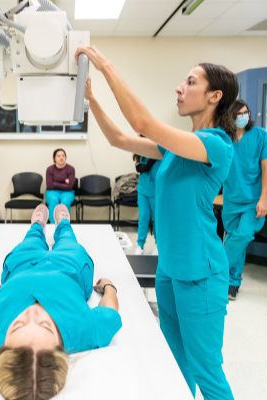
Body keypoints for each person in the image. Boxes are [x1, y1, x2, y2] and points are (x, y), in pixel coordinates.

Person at [76, 46, 237, 400]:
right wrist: (90, 100)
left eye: (190, 82)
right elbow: (119, 138)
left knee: (206, 369)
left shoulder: (216, 146)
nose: (180, 88)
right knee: (176, 362)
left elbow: (143, 124)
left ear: (214, 96)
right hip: (170, 270)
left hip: (202, 275)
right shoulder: (175, 148)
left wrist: (105, 64)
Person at [0, 204, 121, 400]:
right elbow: (110, 311)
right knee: (68, 240)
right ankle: (64, 224)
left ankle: (37, 225)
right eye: (45, 325)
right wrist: (109, 286)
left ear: (4, 346)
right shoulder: (81, 332)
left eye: (17, 325)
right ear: (61, 348)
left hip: (23, 265)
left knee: (31, 240)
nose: (32, 314)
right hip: (70, 267)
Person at [222, 99, 267, 300]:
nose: (243, 116)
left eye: (246, 112)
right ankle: (232, 283)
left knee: (243, 235)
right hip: (231, 200)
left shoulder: (260, 136)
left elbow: (266, 169)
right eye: (239, 114)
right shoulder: (225, 138)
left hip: (253, 200)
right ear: (231, 116)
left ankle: (215, 272)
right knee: (233, 238)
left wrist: (264, 198)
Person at [133, 153, 161, 255]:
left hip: (156, 191)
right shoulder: (141, 151)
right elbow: (139, 167)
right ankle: (140, 245)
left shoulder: (157, 149)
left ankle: (158, 245)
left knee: (157, 219)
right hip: (143, 189)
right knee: (143, 217)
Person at [45, 148, 76, 223]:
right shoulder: (50, 169)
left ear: (65, 157)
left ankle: (63, 224)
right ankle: (53, 225)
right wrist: (64, 182)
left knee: (65, 202)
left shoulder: (71, 169)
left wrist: (55, 183)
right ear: (54, 158)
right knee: (53, 200)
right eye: (58, 156)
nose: (61, 157)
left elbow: (70, 186)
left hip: (68, 192)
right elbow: (49, 185)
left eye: (63, 155)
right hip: (52, 192)